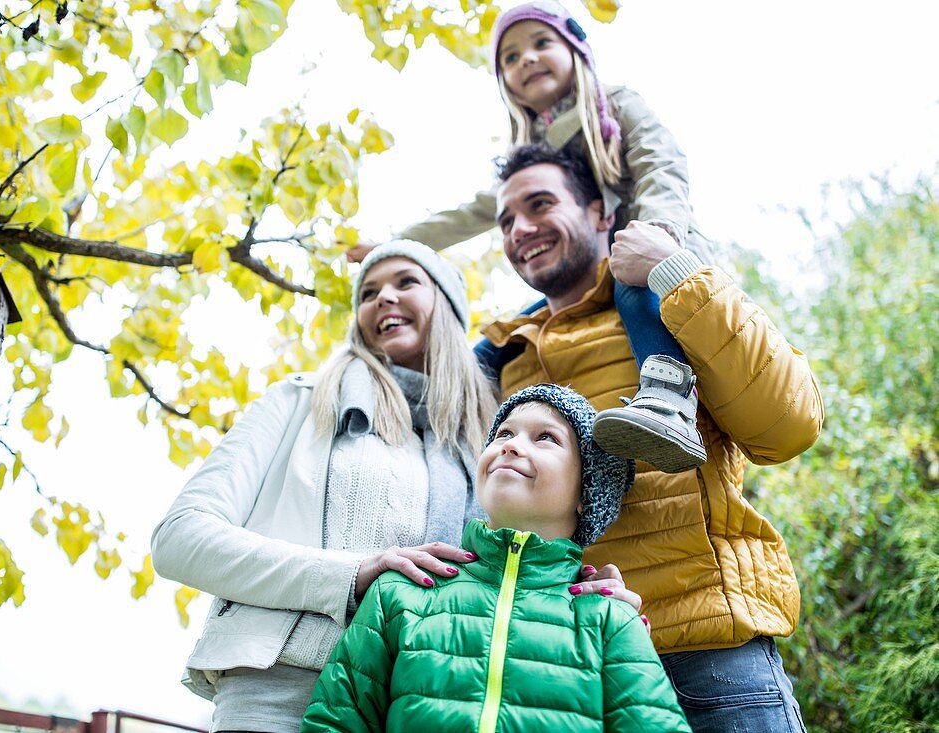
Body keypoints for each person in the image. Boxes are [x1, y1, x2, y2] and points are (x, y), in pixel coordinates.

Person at [150, 241, 636, 732]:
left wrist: (579, 599)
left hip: (422, 703)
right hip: (279, 694)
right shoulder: (298, 402)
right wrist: (352, 574)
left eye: (406, 282)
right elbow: (179, 539)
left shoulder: (487, 438)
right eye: (368, 293)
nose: (383, 298)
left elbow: (508, 565)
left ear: (447, 305)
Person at [487, 143, 823, 732]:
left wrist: (675, 269)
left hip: (708, 657)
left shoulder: (664, 299)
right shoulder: (505, 356)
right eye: (507, 220)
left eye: (540, 204)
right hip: (568, 669)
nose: (521, 229)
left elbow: (787, 425)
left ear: (599, 212)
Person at [355, 1, 712, 474]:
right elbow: (474, 212)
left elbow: (660, 163)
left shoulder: (615, 105)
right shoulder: (530, 154)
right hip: (585, 275)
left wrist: (659, 232)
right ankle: (432, 411)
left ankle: (669, 402)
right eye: (510, 57)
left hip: (648, 251)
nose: (526, 59)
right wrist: (395, 244)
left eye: (541, 43)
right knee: (506, 338)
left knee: (631, 292)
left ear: (577, 50)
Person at [301, 384, 691, 733]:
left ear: (586, 492)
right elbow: (335, 721)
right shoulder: (401, 591)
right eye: (504, 433)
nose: (511, 444)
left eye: (545, 438)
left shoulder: (610, 619)